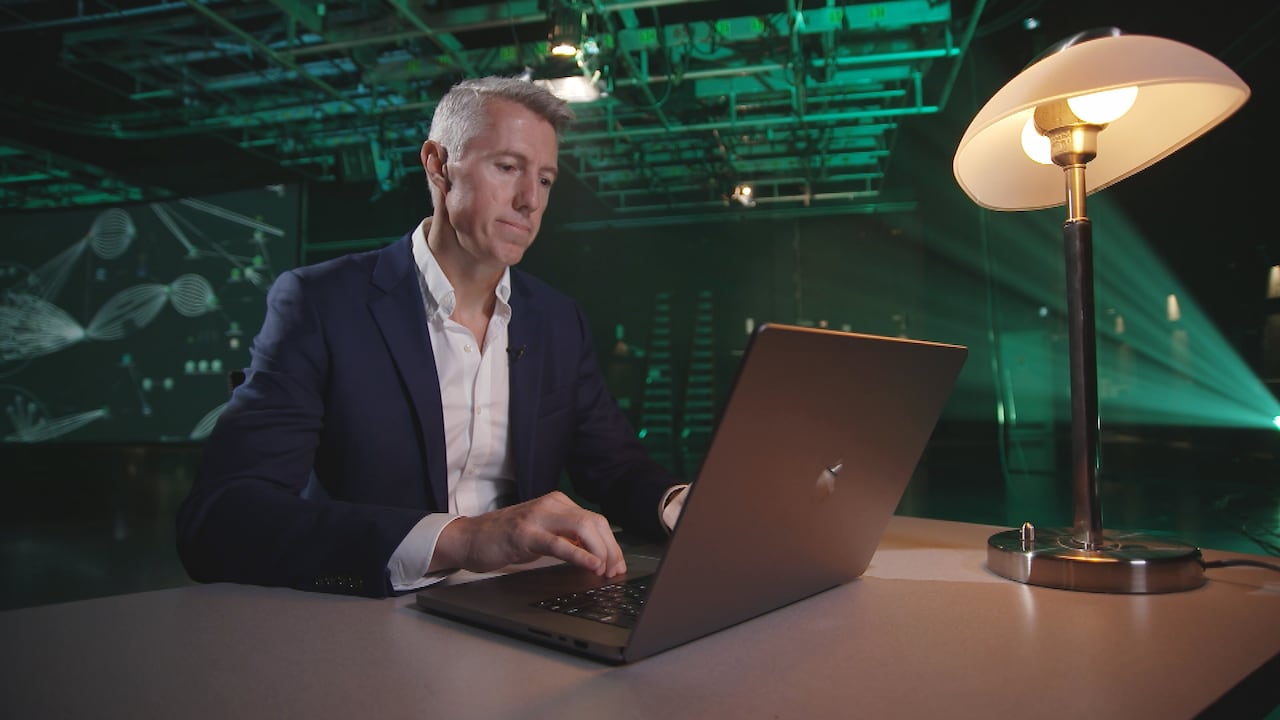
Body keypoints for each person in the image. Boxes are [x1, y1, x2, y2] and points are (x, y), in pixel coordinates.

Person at [176, 76, 686, 598]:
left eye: (547, 179)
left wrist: (679, 504)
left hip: (526, 607)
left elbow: (617, 466)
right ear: (438, 166)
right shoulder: (321, 303)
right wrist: (461, 539)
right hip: (379, 612)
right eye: (508, 167)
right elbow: (221, 519)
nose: (531, 200)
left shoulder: (558, 320)